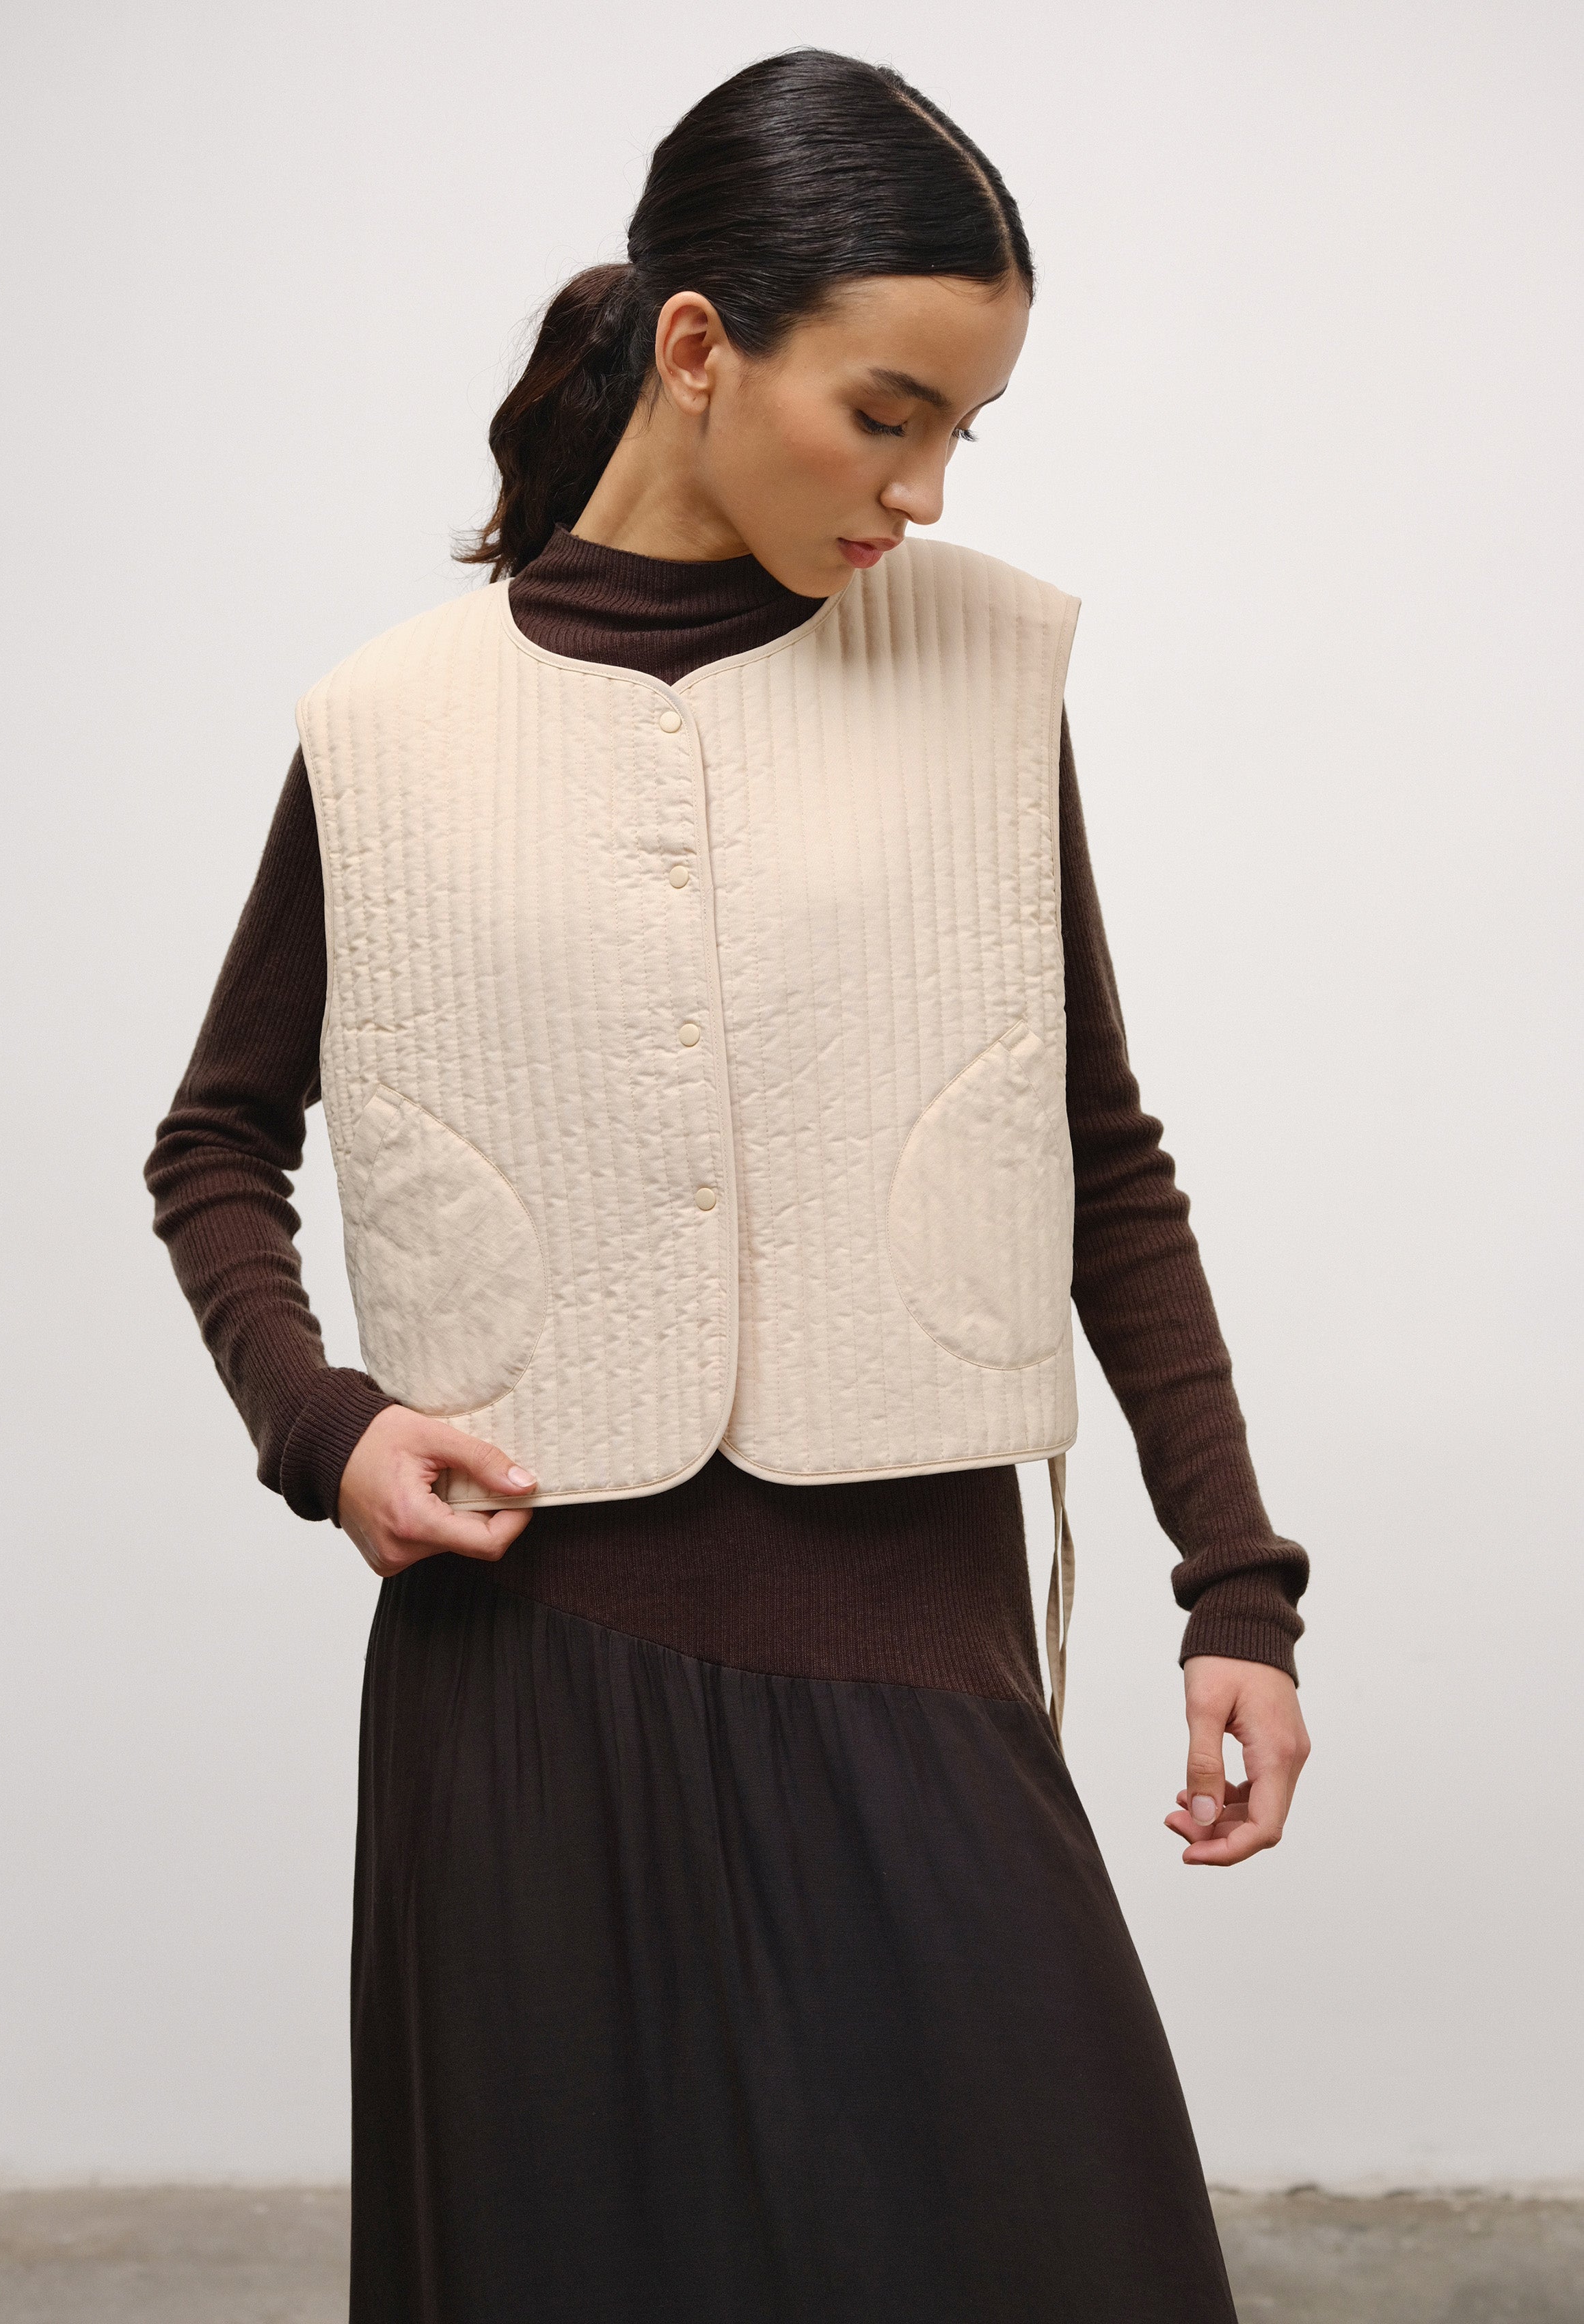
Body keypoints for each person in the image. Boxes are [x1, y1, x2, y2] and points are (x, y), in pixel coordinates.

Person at [146, 47, 1310, 2323]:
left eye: (964, 430)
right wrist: (326, 1425)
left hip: (910, 1626)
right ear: (700, 347)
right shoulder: (388, 728)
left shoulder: (982, 673)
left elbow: (1102, 1153)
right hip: (527, 1676)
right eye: (886, 414)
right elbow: (215, 1141)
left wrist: (1237, 1595)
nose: (924, 489)